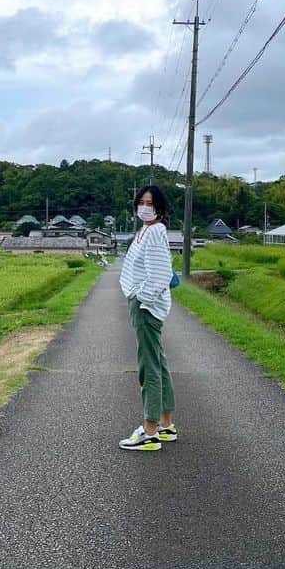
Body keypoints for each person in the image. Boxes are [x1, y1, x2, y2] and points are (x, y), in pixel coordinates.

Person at [117, 184, 177, 452]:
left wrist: (142, 299)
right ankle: (166, 425)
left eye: (150, 202)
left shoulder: (154, 233)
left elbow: (160, 274)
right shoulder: (146, 231)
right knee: (158, 363)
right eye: (141, 201)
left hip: (146, 308)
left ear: (160, 207)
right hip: (144, 303)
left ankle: (150, 432)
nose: (144, 206)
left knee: (148, 366)